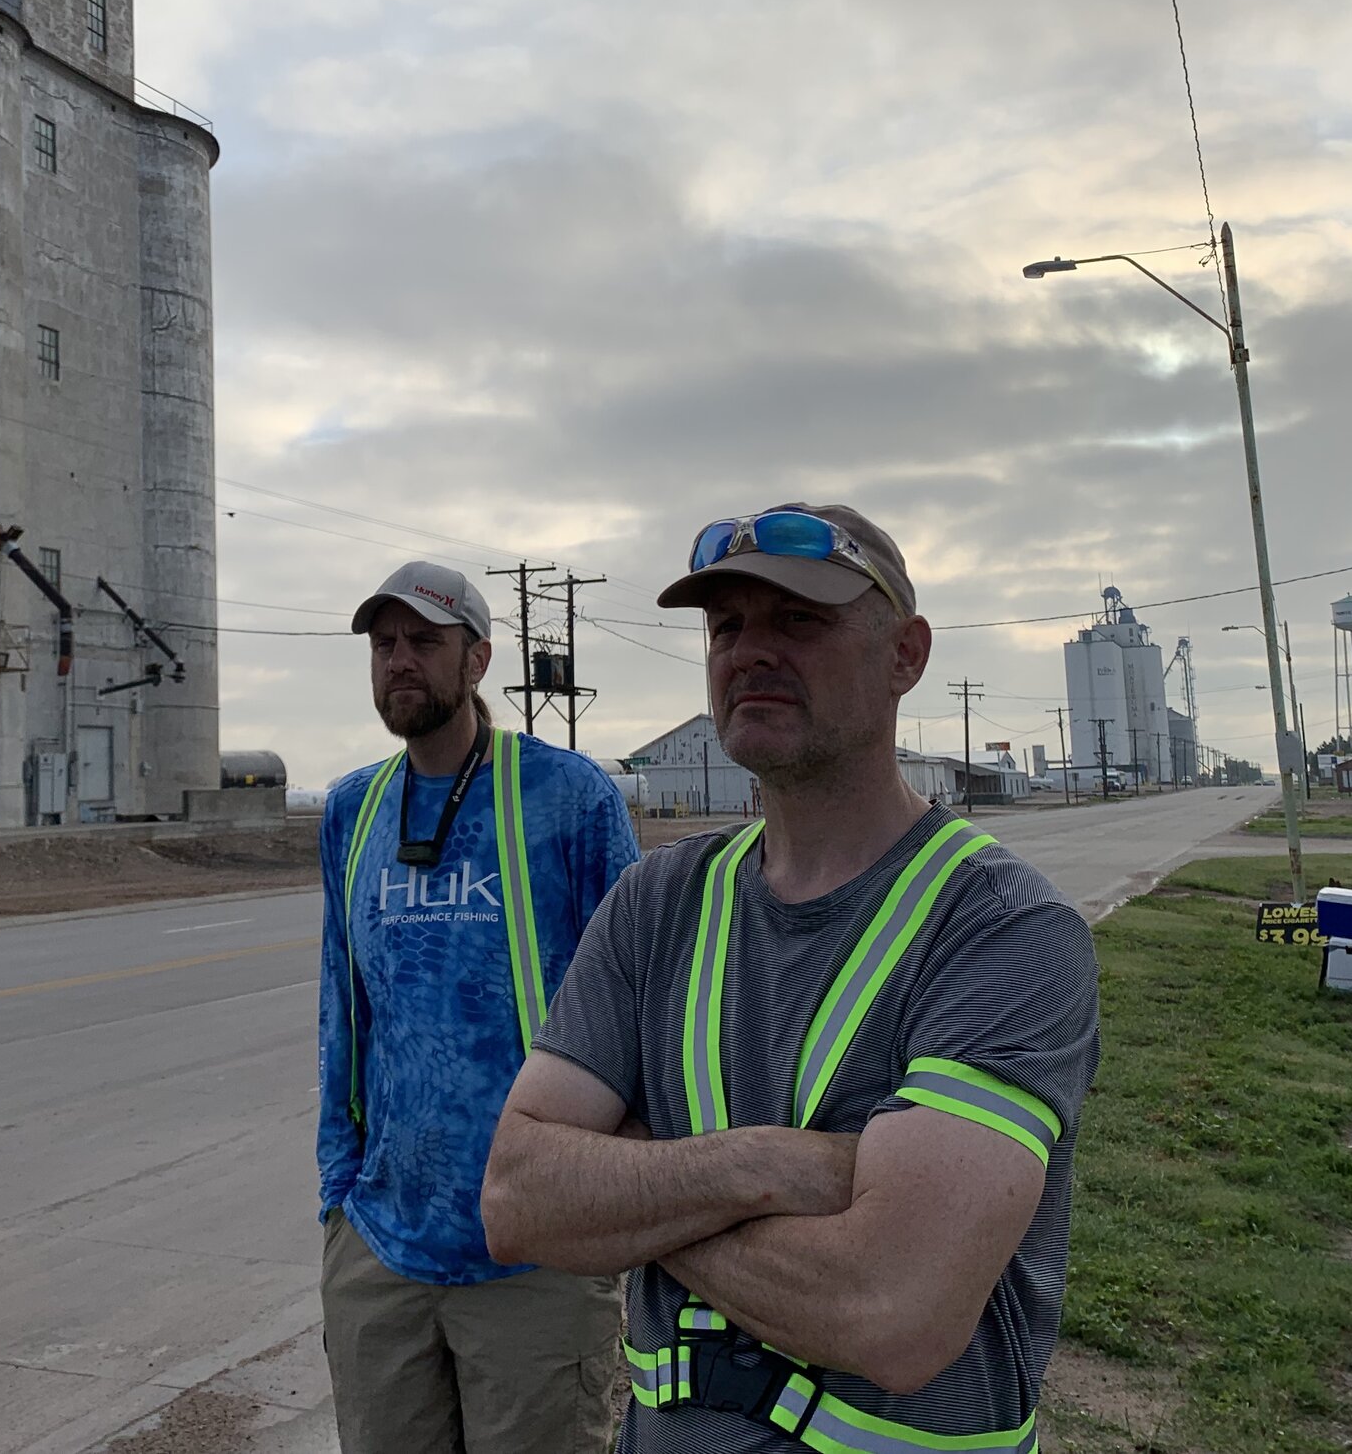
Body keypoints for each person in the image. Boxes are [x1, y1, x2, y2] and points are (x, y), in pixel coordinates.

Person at [481, 504, 1098, 1454]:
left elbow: (890, 1309)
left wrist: (636, 1193)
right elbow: (518, 1198)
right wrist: (767, 1166)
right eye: (726, 625)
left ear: (906, 655)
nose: (750, 650)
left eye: (800, 619)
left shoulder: (1003, 927)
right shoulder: (656, 902)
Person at [318, 560, 642, 1454]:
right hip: (383, 1248)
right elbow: (342, 1013)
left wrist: (616, 1194)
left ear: (478, 659)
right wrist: (338, 1197)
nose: (399, 659)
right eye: (384, 643)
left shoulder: (569, 797)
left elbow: (637, 1002)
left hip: (538, 1256)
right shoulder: (352, 809)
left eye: (424, 641)